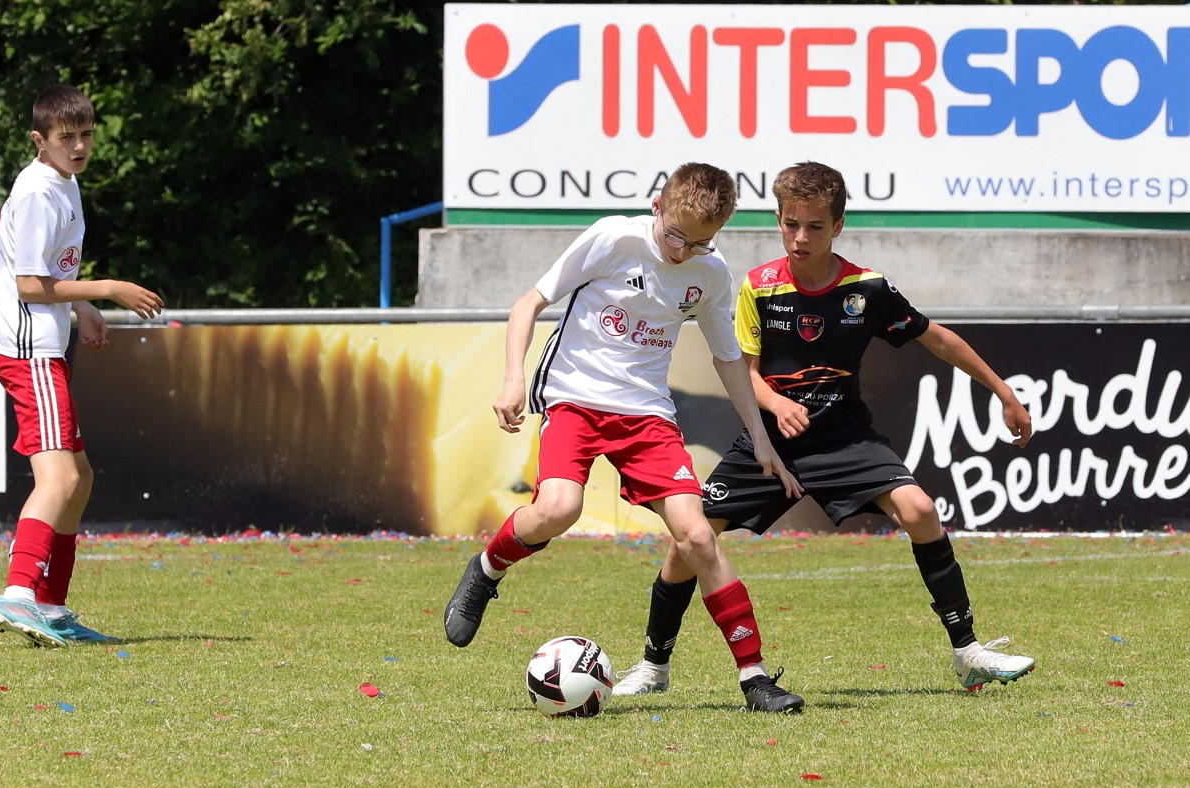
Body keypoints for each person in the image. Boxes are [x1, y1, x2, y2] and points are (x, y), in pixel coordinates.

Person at [613, 161, 1037, 697]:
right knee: (688, 542)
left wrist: (1003, 391)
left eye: (814, 226)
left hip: (845, 440)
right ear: (778, 220)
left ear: (838, 225)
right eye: (790, 224)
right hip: (771, 445)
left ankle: (968, 653)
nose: (800, 237)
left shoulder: (867, 288)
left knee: (920, 510)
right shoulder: (758, 287)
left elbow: (938, 339)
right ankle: (654, 667)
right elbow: (743, 370)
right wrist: (776, 404)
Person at [442, 162, 810, 712]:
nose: (683, 252)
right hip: (575, 397)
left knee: (697, 537)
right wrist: (514, 379)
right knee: (558, 509)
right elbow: (529, 304)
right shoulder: (613, 238)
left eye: (700, 243)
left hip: (647, 415)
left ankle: (755, 679)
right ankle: (486, 570)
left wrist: (760, 435)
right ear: (656, 207)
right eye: (676, 237)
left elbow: (728, 358)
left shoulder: (710, 272)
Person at [0, 84, 164, 648]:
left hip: (42, 345)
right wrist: (106, 289)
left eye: (86, 134)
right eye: (67, 137)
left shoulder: (63, 181)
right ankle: (17, 594)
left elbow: (45, 271)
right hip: (28, 350)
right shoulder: (40, 191)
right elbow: (29, 285)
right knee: (59, 478)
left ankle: (52, 607)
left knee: (79, 479)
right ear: (39, 140)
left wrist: (81, 308)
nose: (80, 146)